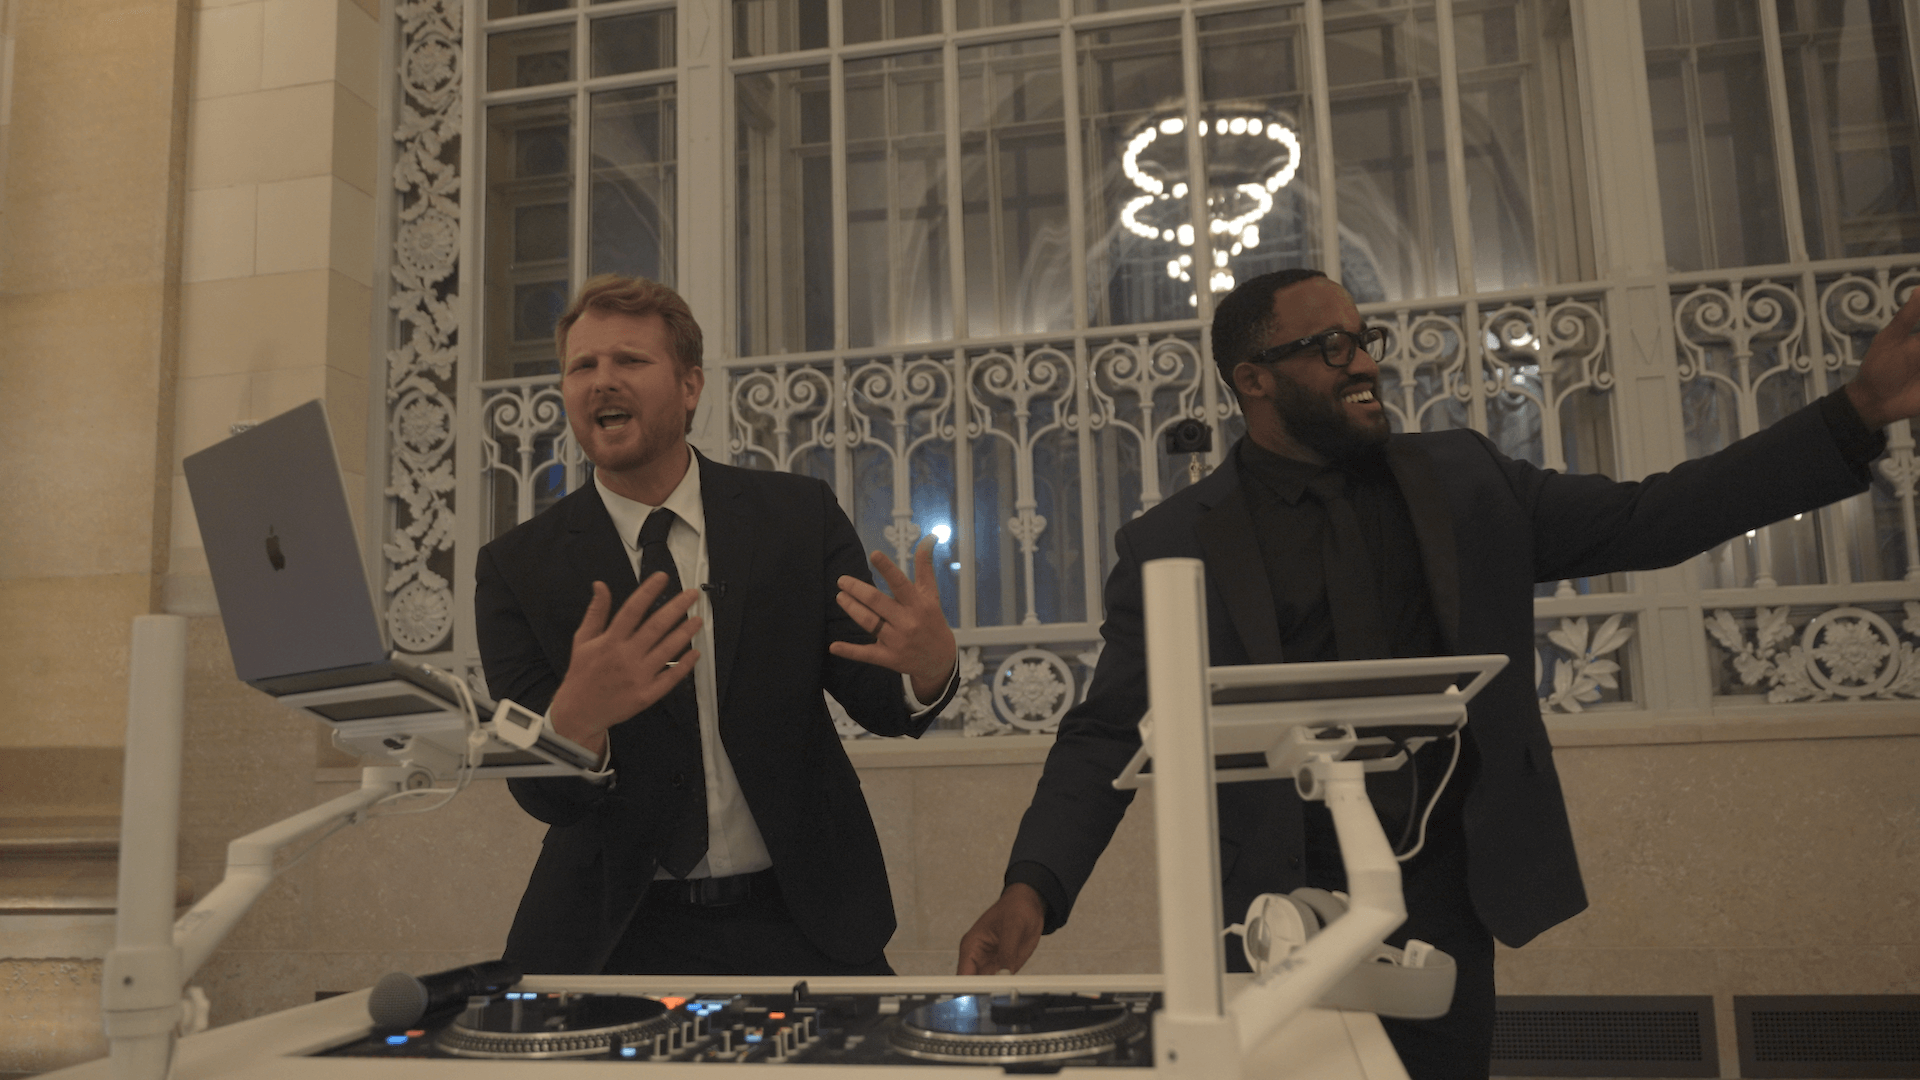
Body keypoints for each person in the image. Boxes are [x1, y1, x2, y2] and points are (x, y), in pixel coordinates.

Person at [956, 268, 1920, 1078]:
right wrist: (1033, 885)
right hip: (1268, 912)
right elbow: (1107, 730)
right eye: (1329, 347)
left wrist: (1854, 414)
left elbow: (1648, 519)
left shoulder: (1466, 481)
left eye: (1363, 338)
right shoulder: (1171, 543)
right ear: (1254, 379)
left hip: (1444, 899)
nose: (1365, 361)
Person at [476, 275, 958, 977]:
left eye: (630, 362)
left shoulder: (798, 518)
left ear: (690, 385)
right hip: (614, 936)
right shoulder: (517, 566)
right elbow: (544, 795)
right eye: (582, 366)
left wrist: (929, 667)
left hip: (802, 920)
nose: (601, 382)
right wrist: (576, 718)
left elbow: (879, 700)